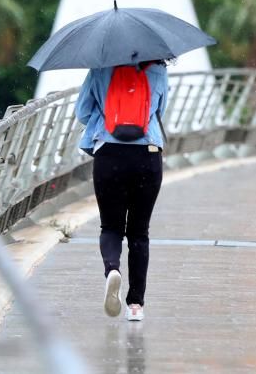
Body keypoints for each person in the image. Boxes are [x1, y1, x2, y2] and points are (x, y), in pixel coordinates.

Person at [75, 61, 168, 322]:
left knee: (111, 226)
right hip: (147, 155)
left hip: (109, 155)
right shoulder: (158, 70)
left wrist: (108, 117)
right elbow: (159, 110)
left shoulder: (100, 67)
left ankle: (112, 270)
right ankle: (136, 305)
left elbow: (82, 112)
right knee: (139, 232)